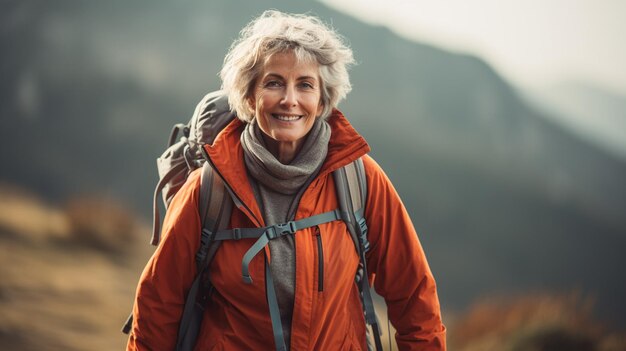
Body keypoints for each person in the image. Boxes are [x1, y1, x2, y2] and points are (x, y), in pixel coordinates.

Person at [127, 10, 446, 351]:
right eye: (274, 82)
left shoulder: (360, 178)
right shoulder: (210, 187)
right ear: (249, 97)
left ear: (324, 100)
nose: (289, 100)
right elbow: (158, 305)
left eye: (305, 85)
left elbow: (414, 296)